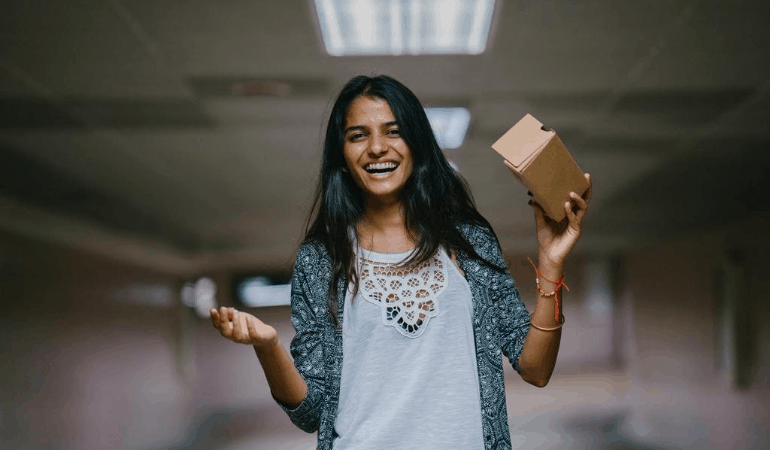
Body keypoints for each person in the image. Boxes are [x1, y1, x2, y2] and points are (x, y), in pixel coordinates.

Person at [210, 75, 592, 450]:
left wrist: (551, 263)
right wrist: (268, 345)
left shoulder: (469, 241)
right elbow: (310, 412)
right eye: (358, 135)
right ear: (341, 157)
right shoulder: (320, 259)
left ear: (418, 145)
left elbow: (536, 369)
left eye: (393, 131)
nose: (377, 147)